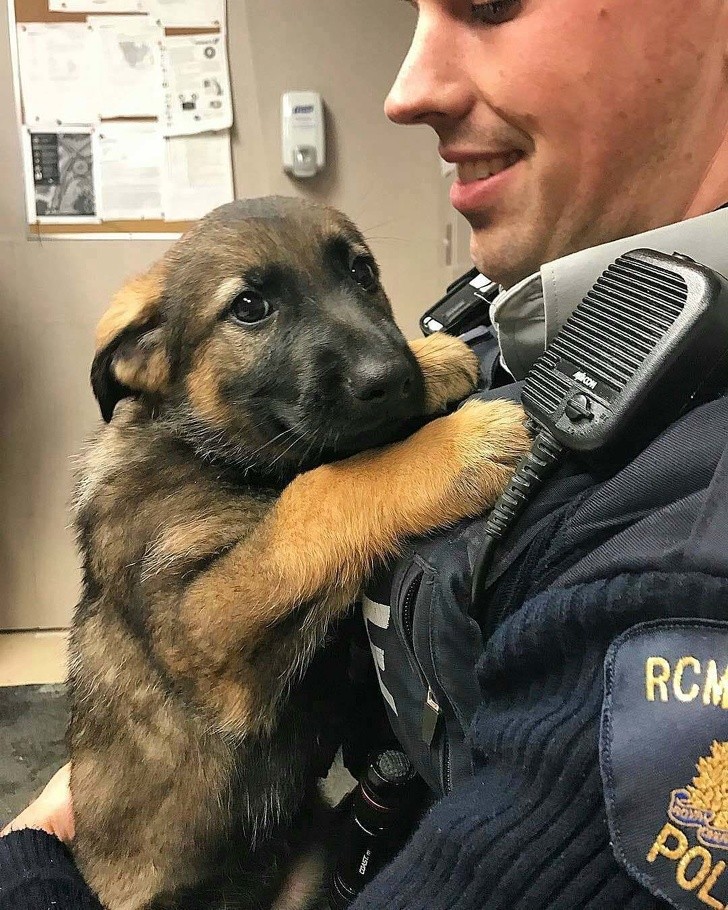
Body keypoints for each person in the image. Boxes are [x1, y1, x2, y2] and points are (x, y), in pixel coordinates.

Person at [3, 1, 728, 908]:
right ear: (143, 366)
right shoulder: (536, 311)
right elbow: (217, 640)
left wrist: (26, 861)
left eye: (490, 4)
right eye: (251, 310)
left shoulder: (682, 582)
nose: (406, 88)